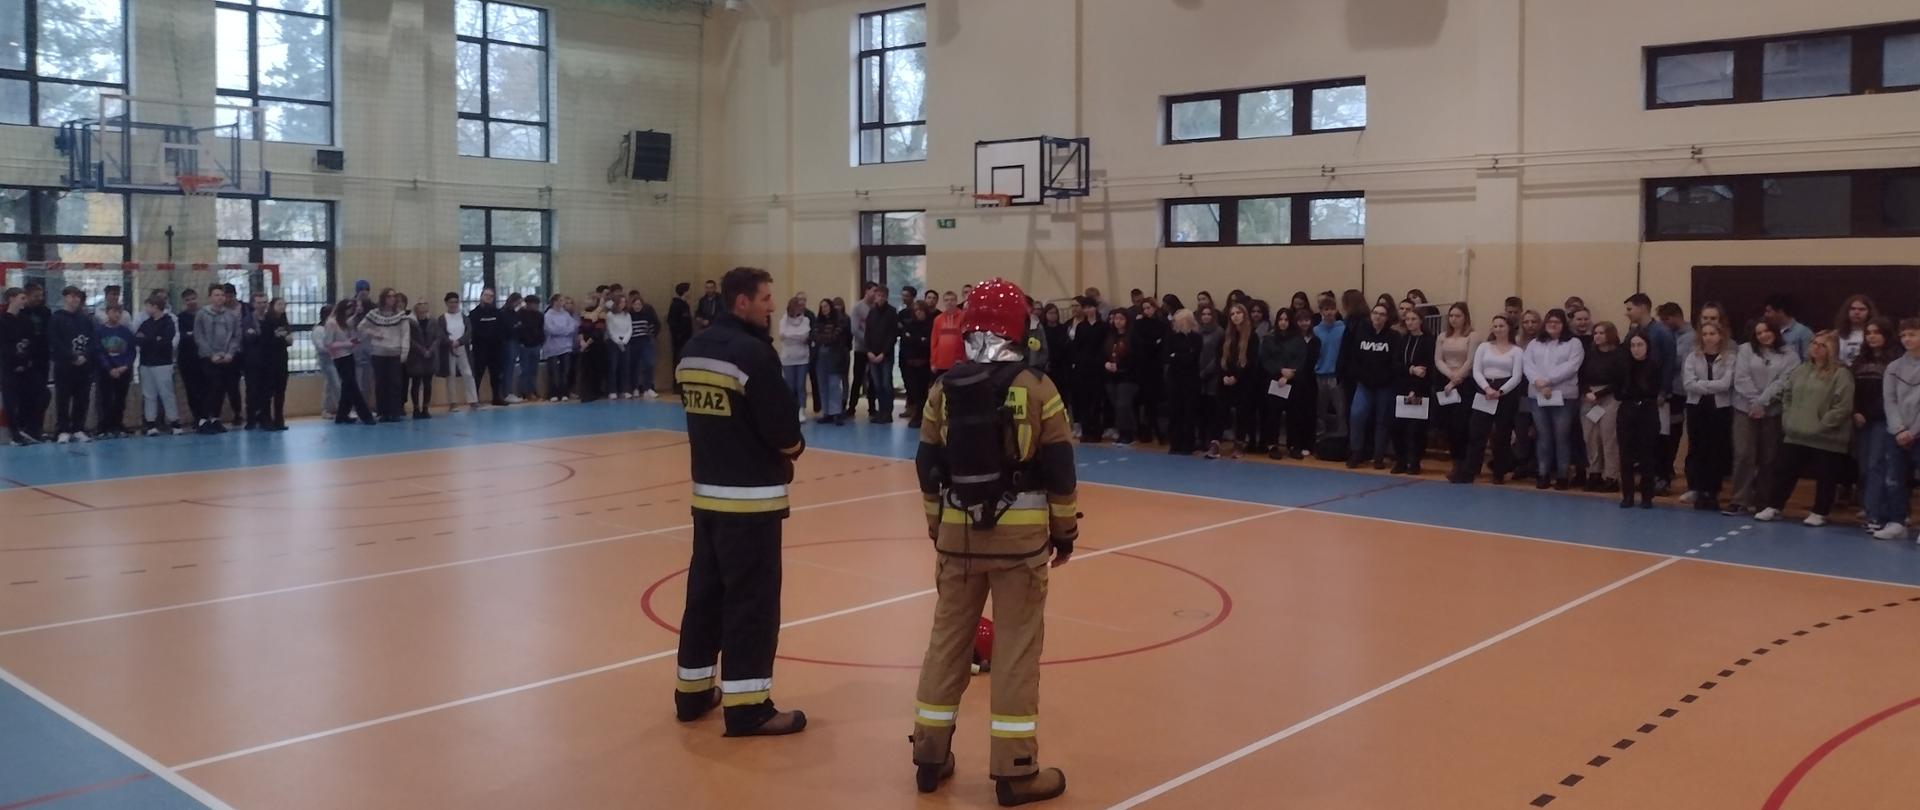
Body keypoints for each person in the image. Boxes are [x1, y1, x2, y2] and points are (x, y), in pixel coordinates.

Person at [909, 278, 1075, 806]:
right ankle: (1015, 770)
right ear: (1019, 328)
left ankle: (930, 755)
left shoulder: (942, 391)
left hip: (956, 542)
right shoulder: (1040, 391)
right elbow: (1061, 473)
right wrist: (1065, 532)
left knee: (947, 645)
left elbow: (927, 468)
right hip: (1021, 547)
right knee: (1016, 652)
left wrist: (938, 527)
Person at [671, 266, 808, 738]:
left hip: (707, 498)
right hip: (752, 502)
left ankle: (691, 695)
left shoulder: (692, 350)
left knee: (704, 599)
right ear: (742, 303)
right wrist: (790, 453)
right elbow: (783, 429)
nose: (773, 305)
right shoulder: (753, 355)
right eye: (766, 298)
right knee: (752, 605)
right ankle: (749, 708)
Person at [1756, 332, 1855, 526]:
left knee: (1826, 475)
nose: (1816, 347)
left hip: (1826, 436)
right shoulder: (1801, 370)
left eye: (1822, 345)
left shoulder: (1841, 374)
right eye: (1814, 343)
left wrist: (1823, 423)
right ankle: (1774, 506)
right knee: (1784, 470)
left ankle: (1820, 511)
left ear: (1832, 350)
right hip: (1796, 432)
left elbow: (1843, 406)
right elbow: (1788, 395)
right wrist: (1789, 418)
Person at [1727, 319, 1796, 516]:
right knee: (1744, 454)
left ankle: (1764, 501)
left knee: (1769, 457)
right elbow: (1741, 377)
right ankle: (1740, 499)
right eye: (1759, 333)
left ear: (1775, 331)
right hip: (1744, 408)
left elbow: (1784, 381)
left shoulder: (1789, 354)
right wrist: (1753, 401)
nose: (1763, 335)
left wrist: (1762, 402)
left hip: (1771, 410)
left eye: (1767, 331)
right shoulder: (1745, 350)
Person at [1451, 314, 1523, 485]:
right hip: (1484, 390)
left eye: (1502, 326)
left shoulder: (1517, 351)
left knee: (1502, 434)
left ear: (1509, 328)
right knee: (1477, 432)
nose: (1498, 329)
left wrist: (1501, 391)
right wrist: (1487, 388)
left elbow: (1517, 376)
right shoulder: (1484, 347)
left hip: (1506, 393)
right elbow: (1476, 371)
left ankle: (1499, 472)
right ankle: (1469, 471)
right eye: (1495, 326)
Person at [1524, 309, 1585, 490]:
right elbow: (1528, 365)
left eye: (1557, 322)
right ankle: (1542, 474)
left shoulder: (1574, 343)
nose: (1553, 325)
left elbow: (1571, 367)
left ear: (1564, 324)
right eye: (1550, 321)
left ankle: (1562, 475)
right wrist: (1539, 382)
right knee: (1543, 436)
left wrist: (1548, 380)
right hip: (1538, 395)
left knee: (1562, 436)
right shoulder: (1535, 343)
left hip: (1564, 396)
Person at [1623, 293, 1676, 491]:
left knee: (1659, 437)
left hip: (1656, 395)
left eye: (1630, 309)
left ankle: (1662, 478)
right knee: (1639, 440)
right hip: (1636, 396)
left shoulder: (1662, 332)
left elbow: (1669, 363)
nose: (1626, 313)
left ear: (1642, 307)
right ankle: (1645, 478)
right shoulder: (1632, 333)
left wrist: (1663, 391)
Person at [1680, 322, 1735, 511]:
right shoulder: (1692, 357)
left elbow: (1726, 384)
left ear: (1720, 336)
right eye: (1705, 334)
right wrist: (1711, 385)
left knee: (1716, 450)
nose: (1708, 337)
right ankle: (1698, 489)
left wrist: (1703, 385)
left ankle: (1713, 491)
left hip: (1720, 408)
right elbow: (1688, 383)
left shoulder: (1729, 358)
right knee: (1698, 448)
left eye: (1712, 333)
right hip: (1697, 407)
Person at [1850, 317, 1897, 532]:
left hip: (1883, 419)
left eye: (1876, 332)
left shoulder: (1894, 361)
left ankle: (1876, 515)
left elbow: (1889, 395)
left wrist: (1868, 414)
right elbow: (1853, 390)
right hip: (1861, 420)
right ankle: (1872, 508)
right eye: (1868, 333)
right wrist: (1856, 411)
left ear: (1886, 335)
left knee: (1876, 466)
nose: (1872, 336)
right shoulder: (1859, 361)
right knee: (1864, 467)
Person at [1875, 318, 1920, 541]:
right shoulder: (1893, 368)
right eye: (1903, 336)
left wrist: (1914, 430)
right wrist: (1899, 428)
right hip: (1897, 433)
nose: (1907, 339)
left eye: (1912, 334)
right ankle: (1896, 522)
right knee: (1894, 478)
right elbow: (1889, 400)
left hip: (1917, 432)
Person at [1344, 303, 1396, 470]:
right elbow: (1354, 357)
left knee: (1382, 420)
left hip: (1385, 386)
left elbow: (1395, 362)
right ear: (1371, 315)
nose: (1378, 316)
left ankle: (1379, 456)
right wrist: (1361, 376)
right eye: (1375, 313)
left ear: (1387, 318)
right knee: (1356, 415)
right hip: (1364, 384)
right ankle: (1356, 452)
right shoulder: (1361, 333)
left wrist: (1384, 378)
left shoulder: (1394, 337)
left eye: (1382, 314)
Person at [1616, 330, 1663, 508]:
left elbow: (1654, 390)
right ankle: (1627, 495)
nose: (1636, 349)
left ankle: (1647, 496)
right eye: (1633, 345)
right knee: (1625, 456)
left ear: (1647, 346)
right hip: (1627, 411)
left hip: (1647, 412)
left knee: (1647, 456)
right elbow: (1618, 391)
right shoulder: (1623, 367)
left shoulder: (1654, 365)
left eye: (1640, 345)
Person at [1579, 322, 1627, 493]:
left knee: (1609, 438)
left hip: (1609, 397)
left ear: (1610, 335)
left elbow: (1620, 381)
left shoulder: (1619, 355)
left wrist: (1599, 395)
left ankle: (1611, 476)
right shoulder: (1590, 354)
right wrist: (1587, 392)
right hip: (1589, 396)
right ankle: (1594, 472)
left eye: (1601, 333)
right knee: (1590, 437)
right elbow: (1581, 375)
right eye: (1595, 333)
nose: (1597, 336)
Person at [48, 287, 96, 443]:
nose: (75, 300)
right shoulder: (57, 318)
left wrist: (85, 356)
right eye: (72, 296)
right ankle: (62, 429)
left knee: (82, 398)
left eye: (78, 297)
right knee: (63, 398)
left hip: (84, 365)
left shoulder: (85, 319)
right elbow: (54, 341)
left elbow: (94, 340)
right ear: (65, 298)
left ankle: (78, 428)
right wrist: (71, 356)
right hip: (64, 365)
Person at [1392, 306, 1435, 475]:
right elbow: (1395, 364)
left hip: (1419, 390)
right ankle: (1401, 459)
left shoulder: (1429, 341)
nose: (1410, 322)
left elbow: (1426, 369)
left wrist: (1415, 388)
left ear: (1421, 321)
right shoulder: (1402, 340)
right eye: (1407, 319)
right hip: (1401, 387)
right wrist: (1410, 370)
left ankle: (1415, 461)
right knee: (1397, 426)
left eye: (1413, 319)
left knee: (1416, 429)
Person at [1433, 303, 1478, 464]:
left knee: (1462, 424)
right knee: (1448, 424)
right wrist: (1450, 375)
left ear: (1465, 317)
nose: (1453, 319)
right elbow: (1438, 359)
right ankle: (1455, 459)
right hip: (1446, 380)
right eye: (1451, 316)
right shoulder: (1442, 336)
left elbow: (1471, 360)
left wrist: (1456, 378)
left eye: (1457, 316)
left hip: (1464, 382)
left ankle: (1464, 460)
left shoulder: (1472, 336)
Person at [195, 285, 242, 435]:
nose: (220, 298)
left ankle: (215, 418)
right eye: (216, 295)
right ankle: (203, 419)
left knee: (222, 388)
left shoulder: (231, 315)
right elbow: (199, 336)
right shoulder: (202, 314)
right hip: (209, 357)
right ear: (210, 297)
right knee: (212, 386)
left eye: (222, 295)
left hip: (226, 357)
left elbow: (236, 336)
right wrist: (211, 354)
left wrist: (230, 353)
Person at [358, 289, 410, 422]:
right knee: (381, 383)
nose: (392, 299)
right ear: (383, 298)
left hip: (395, 353)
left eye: (394, 296)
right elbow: (361, 327)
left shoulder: (401, 315)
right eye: (389, 296)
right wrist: (374, 333)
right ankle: (383, 412)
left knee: (395, 383)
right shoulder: (374, 314)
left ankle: (394, 412)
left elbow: (405, 334)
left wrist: (404, 351)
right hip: (378, 352)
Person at [2, 288, 44, 444]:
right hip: (8, 368)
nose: (25, 301)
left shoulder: (25, 320)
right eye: (22, 298)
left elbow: (32, 342)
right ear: (11, 299)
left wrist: (26, 362)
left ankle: (29, 428)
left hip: (26, 367)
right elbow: (4, 347)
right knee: (11, 401)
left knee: (42, 393)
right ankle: (15, 434)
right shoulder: (2, 320)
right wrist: (14, 364)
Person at [323, 300, 376, 425]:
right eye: (349, 310)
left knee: (347, 387)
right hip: (339, 358)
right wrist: (347, 344)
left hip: (349, 355)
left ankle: (341, 415)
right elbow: (328, 344)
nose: (350, 313)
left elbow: (354, 329)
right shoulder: (331, 323)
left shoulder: (345, 322)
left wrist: (353, 341)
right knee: (353, 387)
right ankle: (365, 415)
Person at [1277, 307, 1320, 459]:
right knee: (1294, 414)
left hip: (1310, 381)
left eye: (1307, 320)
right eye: (1301, 320)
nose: (1304, 323)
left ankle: (1309, 444)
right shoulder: (1291, 340)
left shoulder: (1315, 340)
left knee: (1309, 413)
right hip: (1294, 381)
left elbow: (1312, 361)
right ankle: (1294, 444)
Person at [1069, 298, 1110, 444]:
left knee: (1096, 401)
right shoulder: (1081, 327)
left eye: (1090, 307)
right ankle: (1086, 431)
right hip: (1083, 367)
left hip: (1098, 367)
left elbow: (1105, 346)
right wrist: (1076, 362)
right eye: (1085, 308)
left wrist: (1102, 361)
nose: (1087, 310)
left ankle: (1096, 431)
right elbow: (1077, 347)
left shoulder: (1103, 326)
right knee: (1084, 400)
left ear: (1095, 308)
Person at [1162, 309, 1204, 456]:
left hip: (1191, 380)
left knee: (1189, 412)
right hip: (1174, 379)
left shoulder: (1196, 338)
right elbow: (1167, 356)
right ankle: (1175, 443)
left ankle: (1188, 443)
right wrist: (1181, 356)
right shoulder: (1171, 336)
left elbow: (1192, 357)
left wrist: (1178, 356)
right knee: (1175, 411)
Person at [90, 303, 135, 438]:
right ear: (107, 313)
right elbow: (98, 352)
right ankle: (104, 425)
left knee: (120, 399)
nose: (117, 314)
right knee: (105, 399)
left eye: (119, 312)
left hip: (123, 371)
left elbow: (131, 351)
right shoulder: (99, 332)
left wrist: (125, 366)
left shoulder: (126, 332)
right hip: (106, 371)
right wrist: (109, 368)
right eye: (114, 311)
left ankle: (118, 424)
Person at [1312, 296, 1348, 448]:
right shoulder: (1315, 330)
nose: (1329, 312)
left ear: (1337, 310)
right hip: (1319, 375)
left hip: (1336, 376)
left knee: (1341, 410)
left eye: (1332, 309)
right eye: (1326, 309)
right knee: (1320, 411)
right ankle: (1320, 439)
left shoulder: (1343, 328)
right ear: (1320, 311)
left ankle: (1343, 439)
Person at [1101, 308, 1139, 445]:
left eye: (1121, 319)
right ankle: (1122, 431)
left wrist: (1120, 366)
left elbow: (1135, 357)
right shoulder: (1110, 336)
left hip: (1128, 376)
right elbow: (1104, 352)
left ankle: (1128, 433)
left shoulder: (1132, 336)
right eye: (1116, 318)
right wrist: (1105, 363)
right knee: (1116, 405)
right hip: (1111, 376)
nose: (1118, 321)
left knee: (1123, 404)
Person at [437, 292, 479, 412]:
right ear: (446, 303)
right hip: (448, 349)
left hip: (462, 348)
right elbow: (440, 333)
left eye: (456, 302)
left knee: (468, 374)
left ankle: (473, 400)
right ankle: (453, 403)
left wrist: (459, 342)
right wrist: (450, 343)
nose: (454, 304)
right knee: (451, 375)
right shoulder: (442, 318)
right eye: (451, 302)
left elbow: (468, 332)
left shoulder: (464, 317)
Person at [864, 284, 900, 423]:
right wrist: (869, 351)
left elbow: (892, 335)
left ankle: (887, 413)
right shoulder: (872, 312)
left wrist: (883, 353)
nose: (880, 298)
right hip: (872, 354)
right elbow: (867, 334)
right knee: (877, 385)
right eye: (878, 295)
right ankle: (880, 411)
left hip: (885, 355)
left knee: (886, 384)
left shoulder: (891, 312)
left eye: (882, 296)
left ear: (886, 297)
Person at [469, 288, 511, 407]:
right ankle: (474, 399)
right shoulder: (474, 314)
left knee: (496, 375)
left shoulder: (498, 313)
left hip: (496, 350)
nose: (489, 298)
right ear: (481, 296)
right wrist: (486, 337)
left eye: (491, 296)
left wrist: (497, 340)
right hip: (480, 349)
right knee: (478, 375)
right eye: (486, 295)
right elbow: (474, 331)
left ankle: (497, 397)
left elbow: (503, 330)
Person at [810, 299, 850, 425]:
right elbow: (814, 336)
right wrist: (824, 338)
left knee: (834, 385)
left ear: (830, 307)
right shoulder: (818, 321)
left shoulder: (840, 321)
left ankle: (836, 413)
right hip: (820, 358)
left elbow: (835, 337)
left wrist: (823, 338)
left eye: (826, 306)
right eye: (822, 307)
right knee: (822, 385)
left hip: (835, 356)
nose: (824, 309)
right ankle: (826, 412)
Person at [257, 298, 292, 431]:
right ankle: (265, 419)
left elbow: (288, 339)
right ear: (272, 306)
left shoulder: (284, 322)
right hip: (269, 361)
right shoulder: (267, 322)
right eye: (279, 304)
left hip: (282, 360)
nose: (282, 307)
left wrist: (286, 339)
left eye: (284, 304)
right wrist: (281, 339)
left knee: (280, 391)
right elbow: (266, 342)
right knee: (267, 392)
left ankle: (279, 419)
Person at [900, 301, 933, 427]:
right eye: (916, 310)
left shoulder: (929, 325)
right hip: (910, 363)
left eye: (920, 310)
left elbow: (926, 344)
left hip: (923, 364)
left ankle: (921, 416)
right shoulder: (909, 325)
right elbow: (905, 340)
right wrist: (919, 339)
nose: (918, 312)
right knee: (912, 391)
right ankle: (916, 413)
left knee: (922, 391)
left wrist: (915, 339)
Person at [776, 296, 811, 409]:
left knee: (800, 386)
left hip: (802, 358)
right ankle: (791, 409)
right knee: (790, 386)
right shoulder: (783, 320)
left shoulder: (806, 320)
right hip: (788, 358)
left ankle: (802, 409)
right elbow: (782, 336)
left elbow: (805, 336)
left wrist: (790, 337)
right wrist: (797, 337)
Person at [541, 294, 578, 402]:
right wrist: (563, 330)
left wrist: (563, 331)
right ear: (555, 302)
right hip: (553, 348)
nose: (563, 302)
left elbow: (572, 326)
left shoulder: (565, 314)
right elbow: (551, 329)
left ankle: (564, 393)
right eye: (561, 300)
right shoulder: (548, 315)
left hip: (566, 347)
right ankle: (553, 393)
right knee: (554, 372)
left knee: (565, 371)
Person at [405, 301, 438, 419]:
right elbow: (410, 339)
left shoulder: (433, 322)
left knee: (427, 384)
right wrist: (422, 350)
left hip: (430, 356)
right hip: (416, 356)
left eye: (425, 308)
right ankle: (415, 408)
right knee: (416, 383)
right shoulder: (410, 322)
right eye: (420, 307)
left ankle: (425, 408)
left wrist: (431, 350)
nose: (423, 311)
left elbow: (436, 338)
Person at [310, 303, 340, 419]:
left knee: (330, 385)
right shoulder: (318, 330)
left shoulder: (333, 327)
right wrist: (335, 347)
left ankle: (328, 408)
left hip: (336, 359)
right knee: (336, 384)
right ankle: (336, 408)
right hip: (326, 360)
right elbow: (321, 347)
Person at [629, 291, 662, 398]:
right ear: (632, 305)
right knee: (634, 365)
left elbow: (655, 325)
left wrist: (652, 335)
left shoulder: (647, 314)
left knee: (648, 364)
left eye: (639, 304)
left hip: (645, 341)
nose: (637, 306)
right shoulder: (629, 315)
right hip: (633, 342)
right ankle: (635, 388)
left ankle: (648, 388)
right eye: (635, 304)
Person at [1764, 294, 1813, 361]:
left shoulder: (1804, 332)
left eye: (1768, 311)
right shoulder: (1769, 331)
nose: (1765, 315)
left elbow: (1808, 362)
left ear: (1780, 312)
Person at [514, 294, 544, 401]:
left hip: (536, 345)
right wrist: (520, 342)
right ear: (529, 304)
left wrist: (541, 343)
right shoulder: (520, 314)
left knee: (533, 370)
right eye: (535, 304)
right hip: (524, 346)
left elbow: (541, 330)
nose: (536, 306)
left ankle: (532, 390)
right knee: (524, 370)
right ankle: (523, 392)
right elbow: (518, 330)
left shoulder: (539, 315)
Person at [930, 291, 966, 379]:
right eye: (946, 300)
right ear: (943, 302)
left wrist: (963, 359)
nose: (949, 302)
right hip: (941, 362)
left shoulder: (964, 317)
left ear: (956, 301)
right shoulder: (938, 319)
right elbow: (934, 341)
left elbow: (966, 340)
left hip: (958, 362)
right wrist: (933, 362)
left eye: (952, 300)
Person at [1834, 294, 1876, 367]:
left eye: (1861, 309)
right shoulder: (1836, 334)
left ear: (1869, 312)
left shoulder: (1875, 334)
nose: (1856, 312)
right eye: (1853, 309)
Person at [605, 294, 634, 400]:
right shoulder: (610, 315)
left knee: (625, 366)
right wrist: (618, 341)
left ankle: (625, 389)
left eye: (624, 302)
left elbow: (630, 329)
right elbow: (610, 330)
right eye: (621, 302)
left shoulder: (627, 315)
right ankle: (612, 390)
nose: (623, 304)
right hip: (614, 342)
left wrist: (625, 340)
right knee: (613, 367)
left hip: (626, 341)